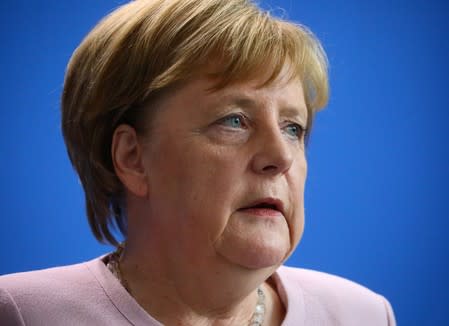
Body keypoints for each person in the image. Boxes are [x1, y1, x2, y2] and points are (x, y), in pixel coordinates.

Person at [0, 0, 396, 325]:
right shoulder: (22, 313)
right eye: (234, 121)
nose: (281, 157)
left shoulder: (361, 314)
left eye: (293, 128)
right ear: (132, 158)